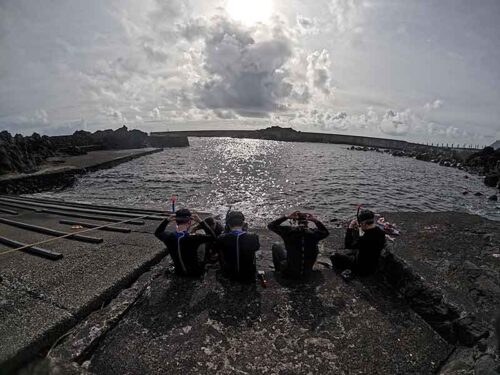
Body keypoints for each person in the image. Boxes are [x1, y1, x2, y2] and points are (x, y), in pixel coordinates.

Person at [154, 208, 216, 277]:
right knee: (204, 244)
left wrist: (167, 220)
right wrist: (200, 221)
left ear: (176, 222)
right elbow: (213, 237)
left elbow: (157, 232)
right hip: (196, 274)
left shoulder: (168, 237)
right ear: (189, 222)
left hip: (179, 273)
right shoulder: (194, 237)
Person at [268, 211, 329, 279]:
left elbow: (271, 225)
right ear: (307, 222)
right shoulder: (314, 233)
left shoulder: (289, 231)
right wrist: (315, 220)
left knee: (276, 245)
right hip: (307, 271)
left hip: (291, 271)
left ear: (297, 221)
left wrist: (287, 217)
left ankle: (279, 271)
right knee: (315, 246)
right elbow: (326, 232)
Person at [330, 209, 386, 276]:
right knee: (353, 252)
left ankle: (343, 272)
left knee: (333, 256)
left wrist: (350, 228)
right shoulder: (381, 232)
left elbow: (348, 246)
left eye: (360, 224)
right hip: (373, 264)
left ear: (363, 223)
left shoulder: (364, 238)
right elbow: (368, 238)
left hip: (361, 267)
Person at [216, 211, 260, 283]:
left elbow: (218, 249)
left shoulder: (221, 238)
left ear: (228, 225)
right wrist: (245, 232)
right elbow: (256, 248)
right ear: (243, 224)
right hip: (249, 276)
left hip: (229, 275)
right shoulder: (253, 237)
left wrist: (225, 232)